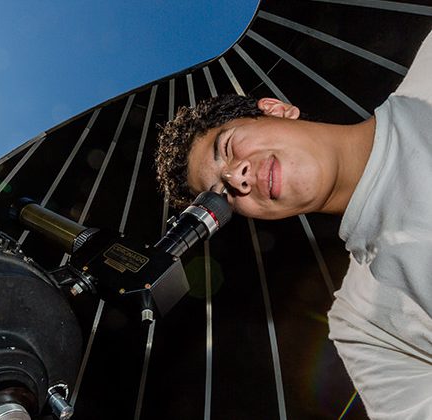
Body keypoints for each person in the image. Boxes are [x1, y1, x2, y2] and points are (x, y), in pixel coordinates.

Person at [155, 32, 432, 419]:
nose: (237, 177)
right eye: (224, 195)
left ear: (276, 109)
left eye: (228, 147)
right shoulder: (364, 328)